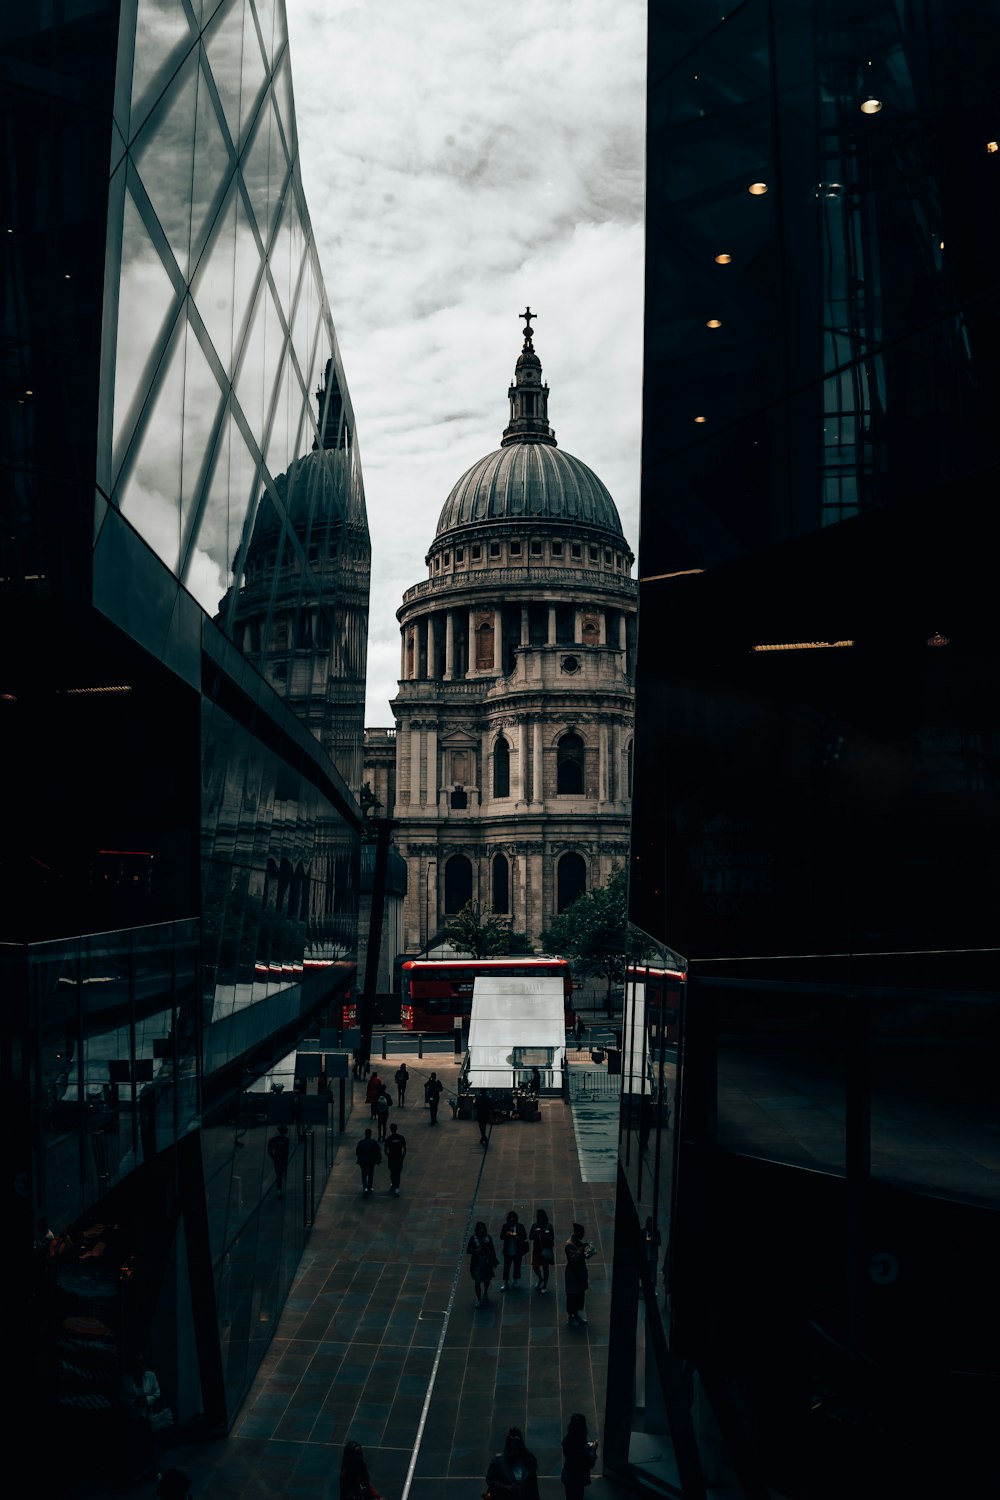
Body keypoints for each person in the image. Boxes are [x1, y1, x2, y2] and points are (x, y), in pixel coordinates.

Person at [486, 1426, 540, 1500]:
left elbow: (533, 1488)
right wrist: (504, 1486)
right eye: (511, 1449)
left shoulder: (529, 1461)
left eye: (515, 1449)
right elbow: (490, 1480)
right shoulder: (498, 1463)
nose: (513, 1452)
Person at [560, 1414, 598, 1500]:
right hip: (577, 1479)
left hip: (568, 1475)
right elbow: (589, 1463)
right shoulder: (579, 1446)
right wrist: (593, 1450)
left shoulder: (567, 1440)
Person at [565, 1222, 592, 1325]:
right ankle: (571, 1317)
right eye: (582, 1232)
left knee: (579, 1294)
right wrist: (581, 1250)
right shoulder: (569, 1244)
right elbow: (573, 1259)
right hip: (573, 1274)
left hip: (580, 1272)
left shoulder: (579, 1243)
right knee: (572, 1296)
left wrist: (590, 1250)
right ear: (577, 1232)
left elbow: (586, 1255)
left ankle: (576, 1316)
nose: (583, 1234)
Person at [467, 1220, 499, 1307]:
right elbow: (468, 1250)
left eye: (482, 1228)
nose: (481, 1230)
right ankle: (478, 1298)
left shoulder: (488, 1238)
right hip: (477, 1264)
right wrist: (475, 1250)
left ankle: (485, 1291)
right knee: (477, 1282)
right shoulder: (473, 1239)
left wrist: (494, 1260)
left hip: (487, 1263)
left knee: (487, 1280)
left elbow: (492, 1250)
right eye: (479, 1228)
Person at [528, 1207, 555, 1293]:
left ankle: (545, 1285)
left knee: (545, 1268)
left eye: (540, 1216)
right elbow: (530, 1237)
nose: (538, 1218)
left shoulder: (549, 1226)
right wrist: (536, 1233)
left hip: (546, 1249)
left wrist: (543, 1234)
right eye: (537, 1216)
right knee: (535, 1267)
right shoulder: (534, 1226)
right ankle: (540, 1278)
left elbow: (552, 1237)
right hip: (537, 1250)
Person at [499, 1209, 528, 1290]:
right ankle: (506, 1282)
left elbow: (525, 1236)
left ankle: (515, 1280)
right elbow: (501, 1236)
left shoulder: (520, 1226)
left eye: (513, 1217)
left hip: (517, 1250)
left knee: (517, 1266)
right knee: (506, 1267)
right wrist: (508, 1234)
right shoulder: (505, 1226)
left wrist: (517, 1237)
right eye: (510, 1218)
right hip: (508, 1250)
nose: (512, 1219)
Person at [355, 1127, 381, 1195]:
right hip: (371, 1161)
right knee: (370, 1174)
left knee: (364, 1175)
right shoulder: (373, 1142)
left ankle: (365, 1187)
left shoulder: (361, 1142)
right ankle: (369, 1187)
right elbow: (378, 1149)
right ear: (370, 1134)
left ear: (365, 1134)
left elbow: (357, 1152)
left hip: (363, 1161)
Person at [267, 1123, 290, 1197]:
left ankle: (279, 1190)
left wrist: (274, 1157)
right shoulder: (286, 1140)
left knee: (279, 1175)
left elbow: (270, 1151)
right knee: (284, 1174)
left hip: (278, 1160)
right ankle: (282, 1190)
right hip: (283, 1160)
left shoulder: (273, 1140)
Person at [384, 1122, 407, 1195]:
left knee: (392, 1172)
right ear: (396, 1129)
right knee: (398, 1173)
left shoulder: (389, 1139)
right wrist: (403, 1156)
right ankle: (397, 1187)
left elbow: (385, 1150)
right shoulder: (401, 1137)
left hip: (392, 1158)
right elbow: (404, 1148)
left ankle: (393, 1184)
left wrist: (388, 1155)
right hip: (399, 1157)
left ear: (390, 1129)